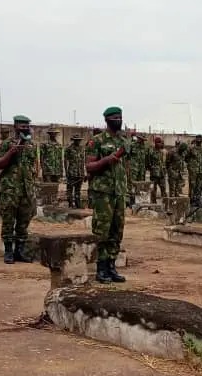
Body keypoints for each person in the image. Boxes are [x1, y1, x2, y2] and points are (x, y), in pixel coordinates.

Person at [85, 106, 129, 283]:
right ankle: (101, 267)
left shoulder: (122, 141)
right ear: (107, 120)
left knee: (117, 230)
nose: (119, 120)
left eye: (120, 117)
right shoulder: (96, 141)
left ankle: (111, 265)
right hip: (103, 193)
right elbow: (89, 167)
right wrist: (106, 160)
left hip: (118, 192)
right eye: (115, 117)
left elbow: (123, 167)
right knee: (102, 231)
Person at [0, 115, 38, 264]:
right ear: (15, 127)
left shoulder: (32, 145)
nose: (25, 128)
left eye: (27, 126)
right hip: (10, 190)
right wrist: (11, 153)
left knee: (23, 222)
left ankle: (20, 250)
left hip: (27, 190)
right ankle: (8, 251)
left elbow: (34, 166)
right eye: (21, 126)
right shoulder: (7, 144)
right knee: (8, 221)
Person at [64, 134, 86, 208]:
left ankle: (77, 203)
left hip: (79, 172)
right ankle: (70, 203)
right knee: (70, 188)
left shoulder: (82, 149)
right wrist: (66, 171)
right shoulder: (69, 149)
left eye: (79, 140)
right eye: (77, 140)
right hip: (71, 172)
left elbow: (83, 161)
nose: (78, 141)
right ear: (74, 140)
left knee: (78, 189)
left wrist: (83, 172)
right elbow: (65, 160)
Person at [147, 136, 167, 200]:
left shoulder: (163, 152)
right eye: (159, 142)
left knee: (163, 189)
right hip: (154, 174)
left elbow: (165, 162)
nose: (160, 144)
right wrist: (152, 169)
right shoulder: (151, 152)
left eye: (161, 143)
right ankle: (153, 204)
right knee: (153, 189)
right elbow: (148, 162)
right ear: (155, 143)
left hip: (162, 174)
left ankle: (165, 204)